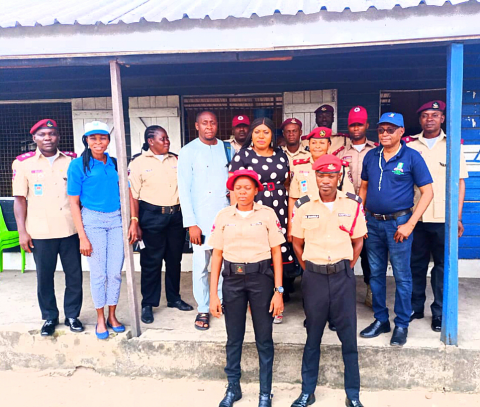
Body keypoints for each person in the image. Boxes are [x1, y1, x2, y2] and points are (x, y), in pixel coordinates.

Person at [290, 154, 367, 407]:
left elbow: (358, 242)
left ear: (339, 177)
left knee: (348, 338)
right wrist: (309, 269)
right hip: (314, 278)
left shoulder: (353, 205)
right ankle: (307, 391)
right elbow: (297, 243)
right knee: (313, 337)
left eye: (331, 175)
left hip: (343, 277)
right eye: (321, 175)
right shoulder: (303, 206)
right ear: (315, 176)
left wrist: (347, 266)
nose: (326, 180)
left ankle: (353, 394)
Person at [209, 169, 285, 407]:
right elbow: (217, 255)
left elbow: (276, 253)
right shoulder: (223, 216)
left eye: (247, 188)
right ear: (231, 190)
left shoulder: (267, 214)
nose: (242, 192)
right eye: (238, 188)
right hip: (232, 280)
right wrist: (213, 295)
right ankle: (233, 388)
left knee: (264, 338)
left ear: (256, 190)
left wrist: (278, 291)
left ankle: (265, 392)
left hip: (261, 279)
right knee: (234, 337)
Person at [359, 112, 434, 347]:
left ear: (401, 132)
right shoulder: (371, 156)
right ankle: (381, 320)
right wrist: (360, 219)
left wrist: (410, 224)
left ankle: (402, 324)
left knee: (402, 276)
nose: (384, 134)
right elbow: (363, 188)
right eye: (381, 129)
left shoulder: (412, 157)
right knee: (376, 275)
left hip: (399, 224)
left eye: (390, 129)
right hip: (372, 222)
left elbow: (428, 192)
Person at [12, 119, 83, 337]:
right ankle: (50, 317)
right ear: (34, 138)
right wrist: (22, 232)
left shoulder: (72, 160)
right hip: (40, 231)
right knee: (44, 277)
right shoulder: (22, 163)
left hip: (70, 229)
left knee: (74, 276)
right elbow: (20, 200)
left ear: (58, 137)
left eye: (51, 134)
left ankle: (72, 315)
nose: (47, 138)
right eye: (42, 134)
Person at [406, 100, 469, 332]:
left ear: (443, 118)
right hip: (417, 217)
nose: (429, 119)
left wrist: (458, 216)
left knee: (442, 267)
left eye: (434, 115)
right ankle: (415, 307)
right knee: (416, 265)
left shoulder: (453, 145)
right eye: (425, 115)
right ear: (420, 120)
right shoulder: (410, 146)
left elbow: (460, 183)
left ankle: (440, 313)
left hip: (443, 218)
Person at [229, 117, 295, 324]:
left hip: (278, 208)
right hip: (252, 207)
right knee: (257, 252)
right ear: (251, 134)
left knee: (277, 252)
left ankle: (278, 299)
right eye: (257, 132)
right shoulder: (243, 155)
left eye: (266, 132)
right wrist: (237, 215)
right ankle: (256, 300)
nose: (261, 136)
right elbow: (234, 188)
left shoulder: (280, 154)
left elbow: (286, 183)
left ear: (272, 136)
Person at [68, 121, 127, 340]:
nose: (98, 142)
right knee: (99, 273)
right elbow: (74, 203)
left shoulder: (114, 163)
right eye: (93, 138)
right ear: (86, 141)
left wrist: (132, 220)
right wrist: (82, 236)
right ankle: (100, 318)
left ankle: (113, 315)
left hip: (116, 220)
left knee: (114, 272)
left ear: (108, 140)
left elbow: (126, 193)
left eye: (102, 137)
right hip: (92, 221)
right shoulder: (78, 165)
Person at [128, 125, 193, 325]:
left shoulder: (176, 160)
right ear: (151, 141)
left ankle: (173, 298)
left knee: (174, 260)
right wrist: (135, 221)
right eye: (162, 138)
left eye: (167, 138)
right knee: (151, 262)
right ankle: (148, 303)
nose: (167, 142)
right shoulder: (138, 163)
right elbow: (133, 196)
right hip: (151, 216)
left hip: (175, 216)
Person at [178, 111, 229, 331]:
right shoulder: (188, 151)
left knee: (225, 264)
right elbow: (184, 190)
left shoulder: (227, 149)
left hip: (225, 217)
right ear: (197, 126)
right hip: (199, 219)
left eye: (213, 123)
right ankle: (203, 308)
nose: (209, 126)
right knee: (201, 266)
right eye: (204, 123)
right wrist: (191, 223)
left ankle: (220, 301)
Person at [334, 106, 377, 308]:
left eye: (360, 124)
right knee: (343, 252)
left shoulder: (377, 151)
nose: (356, 128)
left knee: (370, 254)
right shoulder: (340, 153)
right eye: (352, 124)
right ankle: (342, 291)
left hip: (372, 211)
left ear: (367, 125)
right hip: (346, 212)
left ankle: (371, 289)